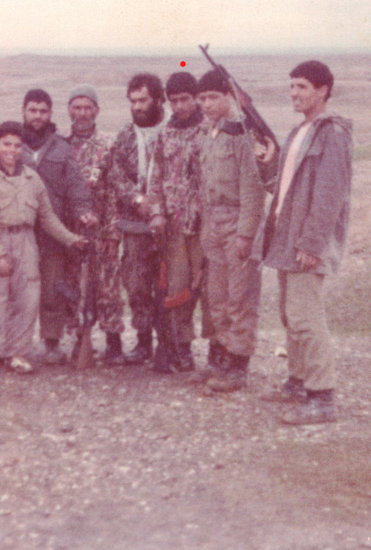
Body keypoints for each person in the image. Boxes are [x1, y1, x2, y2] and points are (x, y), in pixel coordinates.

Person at [258, 61, 352, 425]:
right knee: (291, 314)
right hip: (287, 237)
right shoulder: (299, 131)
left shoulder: (332, 133)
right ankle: (297, 382)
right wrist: (269, 164)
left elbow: (330, 194)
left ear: (322, 91)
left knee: (305, 317)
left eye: (302, 87)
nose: (294, 93)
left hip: (305, 242)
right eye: (291, 86)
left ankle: (322, 396)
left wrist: (312, 243)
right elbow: (282, 189)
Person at [0, 89, 95, 365]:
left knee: (51, 288)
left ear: (50, 113)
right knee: (10, 291)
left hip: (51, 228)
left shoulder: (62, 147)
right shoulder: (13, 142)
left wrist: (84, 212)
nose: (37, 116)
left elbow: (76, 184)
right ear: (24, 111)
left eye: (43, 111)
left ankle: (51, 342)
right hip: (18, 228)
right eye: (32, 110)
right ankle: (6, 347)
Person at [193, 69, 266, 392]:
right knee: (217, 298)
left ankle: (238, 365)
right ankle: (221, 357)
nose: (207, 104)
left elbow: (253, 189)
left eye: (213, 97)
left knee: (240, 298)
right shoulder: (209, 133)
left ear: (228, 97)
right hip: (214, 222)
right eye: (202, 98)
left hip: (238, 222)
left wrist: (246, 234)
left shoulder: (242, 135)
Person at [147, 71, 213, 374]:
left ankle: (218, 351)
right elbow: (155, 178)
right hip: (174, 228)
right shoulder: (164, 134)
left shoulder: (210, 130)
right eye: (173, 101)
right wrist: (157, 213)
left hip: (204, 226)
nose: (179, 106)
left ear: (196, 98)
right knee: (177, 291)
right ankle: (182, 348)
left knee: (210, 290)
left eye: (185, 99)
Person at [103, 73, 169, 364]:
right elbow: (116, 175)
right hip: (135, 225)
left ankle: (173, 345)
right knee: (137, 285)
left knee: (171, 286)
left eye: (143, 100)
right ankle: (143, 343)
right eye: (133, 101)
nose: (138, 107)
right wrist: (136, 199)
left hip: (170, 224)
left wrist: (160, 207)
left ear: (158, 99)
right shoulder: (125, 135)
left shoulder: (173, 131)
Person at [64, 84, 125, 364]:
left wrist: (113, 232)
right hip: (70, 232)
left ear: (96, 110)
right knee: (75, 286)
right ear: (69, 110)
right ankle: (80, 339)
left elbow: (114, 191)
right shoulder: (60, 144)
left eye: (87, 107)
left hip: (102, 230)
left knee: (108, 286)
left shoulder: (109, 145)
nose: (82, 113)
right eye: (76, 107)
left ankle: (113, 341)